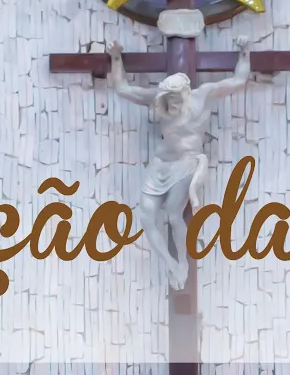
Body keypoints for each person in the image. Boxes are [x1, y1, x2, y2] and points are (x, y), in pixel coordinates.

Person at [106, 35, 252, 289]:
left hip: (186, 163)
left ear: (185, 93)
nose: (171, 102)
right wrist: (116, 57)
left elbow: (238, 81)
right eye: (168, 98)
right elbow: (122, 88)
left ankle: (182, 261)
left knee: (174, 215)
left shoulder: (203, 96)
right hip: (161, 164)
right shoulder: (158, 99)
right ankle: (170, 264)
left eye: (175, 97)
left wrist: (245, 51)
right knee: (146, 217)